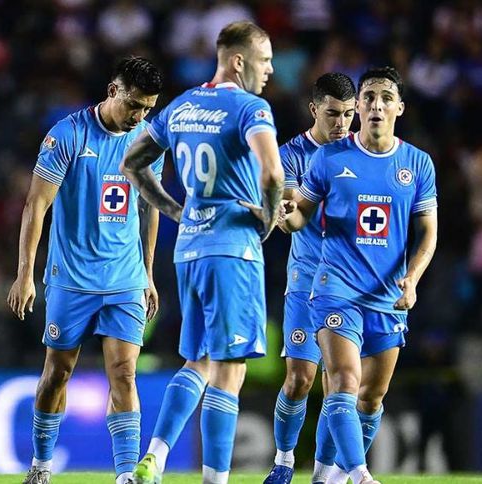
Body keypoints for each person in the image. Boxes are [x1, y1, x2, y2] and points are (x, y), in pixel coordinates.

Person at [120, 21, 283, 484]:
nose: (270, 70)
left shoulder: (182, 105)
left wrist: (176, 210)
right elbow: (272, 173)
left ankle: (154, 457)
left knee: (198, 362)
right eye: (264, 60)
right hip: (232, 250)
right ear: (238, 60)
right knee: (230, 371)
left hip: (190, 248)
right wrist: (269, 217)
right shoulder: (251, 108)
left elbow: (132, 162)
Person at [7, 56, 164, 484]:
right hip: (72, 279)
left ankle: (125, 475)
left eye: (148, 108)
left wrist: (148, 273)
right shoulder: (68, 135)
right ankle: (41, 465)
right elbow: (36, 204)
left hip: (125, 278)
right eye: (135, 105)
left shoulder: (148, 142)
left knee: (124, 373)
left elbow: (149, 210)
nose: (140, 115)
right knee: (57, 373)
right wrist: (25, 274)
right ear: (113, 91)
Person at [280, 66, 438, 484]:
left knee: (371, 397)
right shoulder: (329, 158)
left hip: (387, 296)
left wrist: (412, 279)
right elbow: (300, 216)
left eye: (386, 98)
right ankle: (361, 475)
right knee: (343, 381)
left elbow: (428, 233)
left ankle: (328, 479)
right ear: (360, 106)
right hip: (335, 289)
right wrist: (285, 216)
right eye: (368, 97)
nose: (376, 105)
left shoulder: (417, 164)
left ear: (399, 108)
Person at [263, 72, 356, 484]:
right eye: (333, 114)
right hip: (306, 282)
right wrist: (287, 214)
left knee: (338, 386)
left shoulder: (362, 154)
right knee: (299, 380)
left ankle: (321, 475)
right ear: (314, 109)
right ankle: (284, 460)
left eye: (349, 114)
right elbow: (290, 213)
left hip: (350, 286)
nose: (342, 123)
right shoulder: (291, 155)